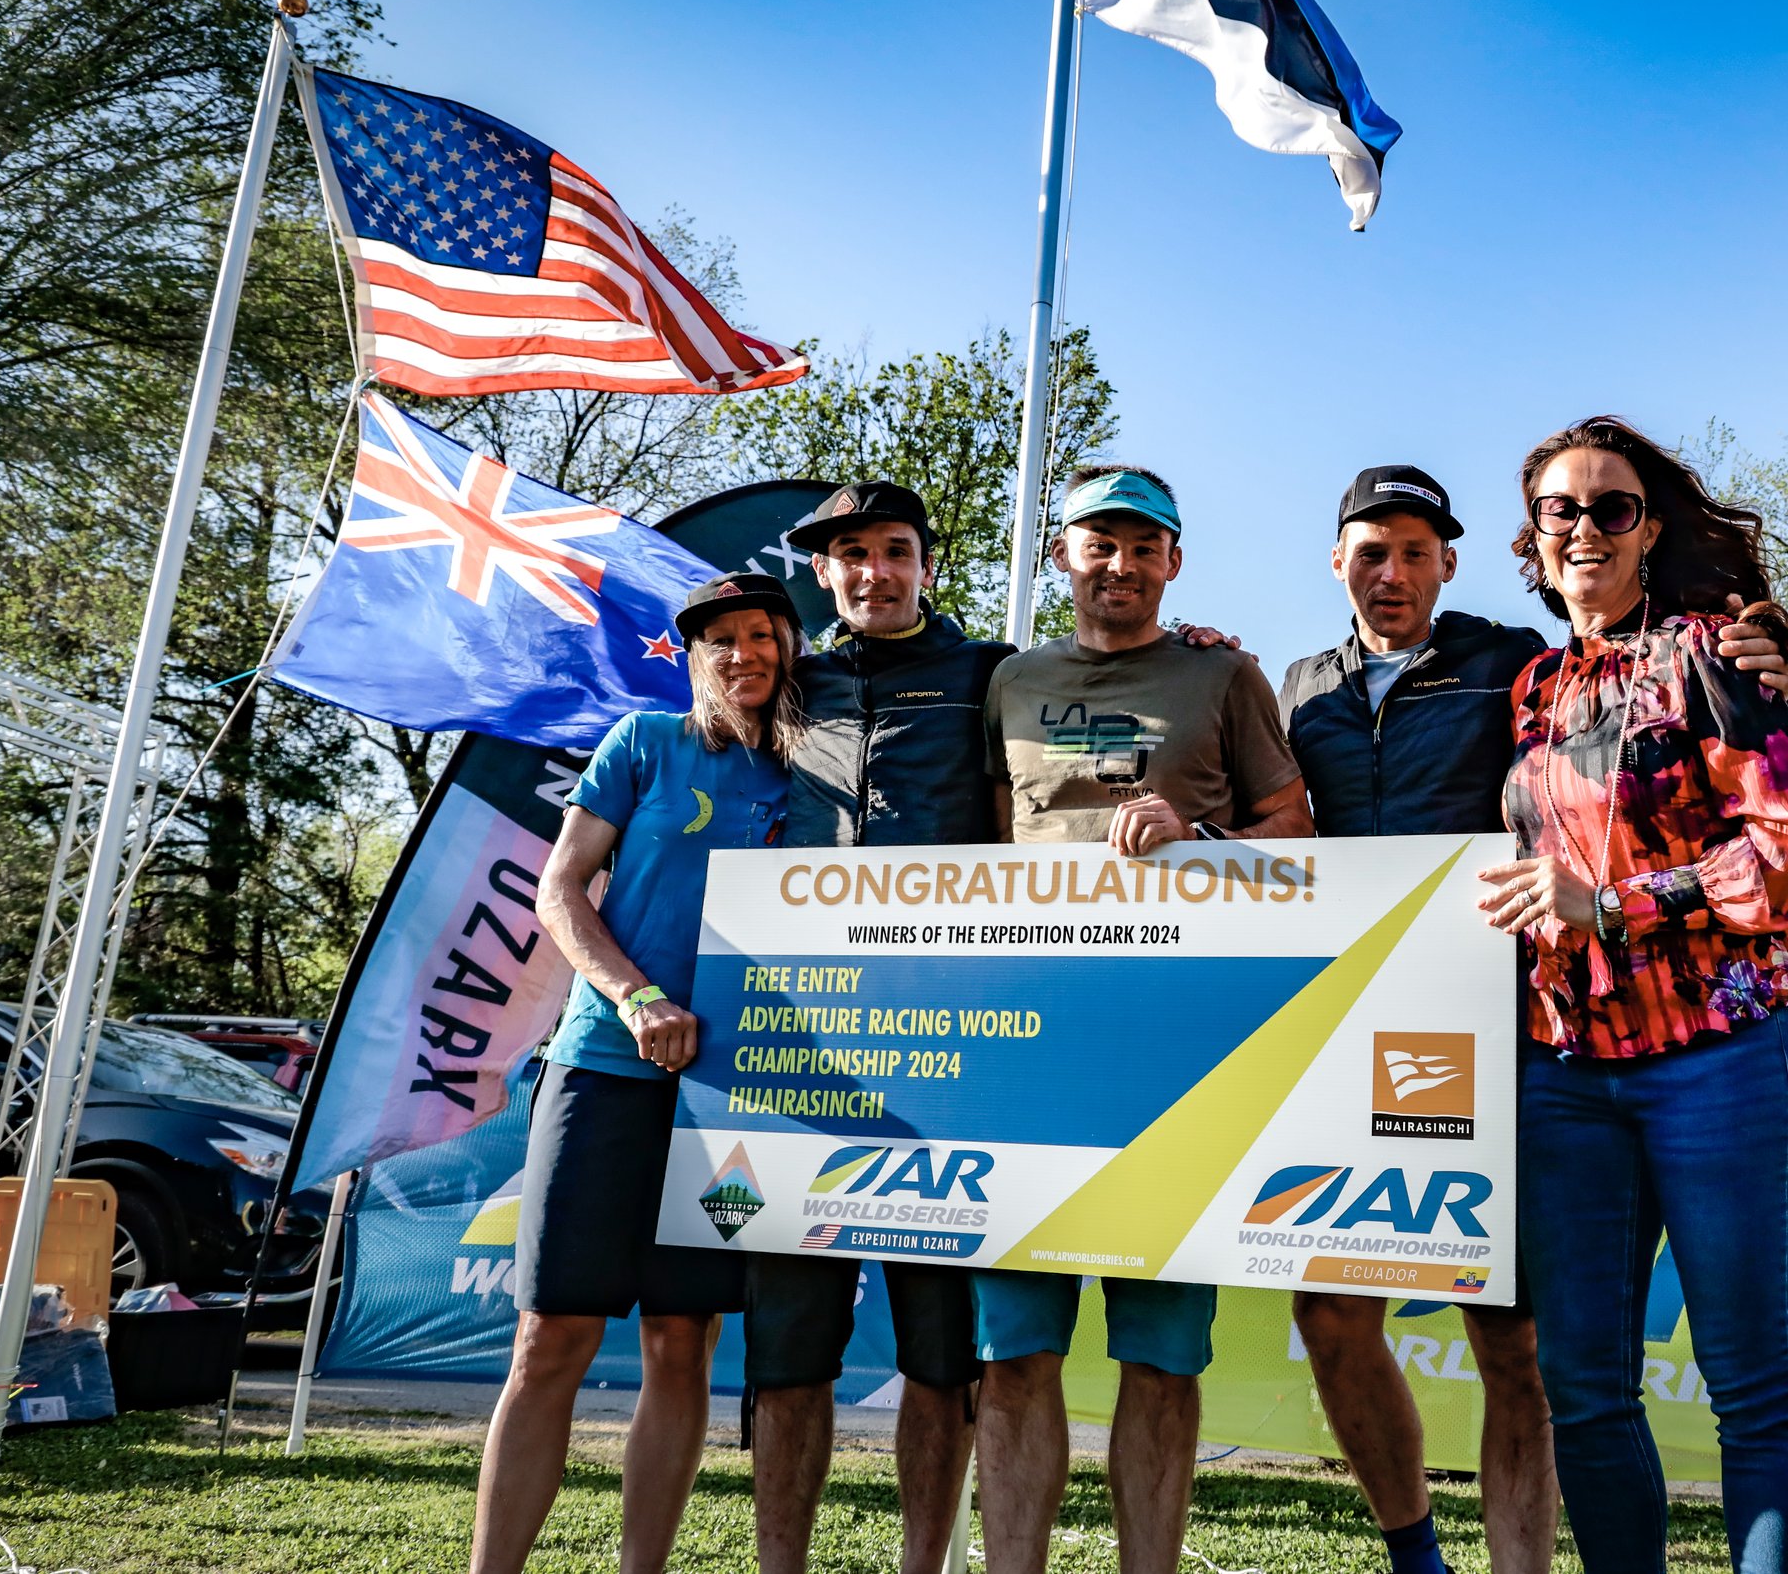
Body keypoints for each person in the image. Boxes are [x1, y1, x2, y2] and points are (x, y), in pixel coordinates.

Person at [1279, 465, 1788, 1574]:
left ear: (1452, 562)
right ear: (1335, 562)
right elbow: (1273, 821)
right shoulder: (1489, 683)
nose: (1391, 571)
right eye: (1370, 550)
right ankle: (1418, 1554)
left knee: (1693, 1379)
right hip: (1518, 1053)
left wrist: (1749, 655)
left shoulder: (1530, 660)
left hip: (1615, 1042)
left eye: (1415, 550)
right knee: (1566, 1379)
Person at [1473, 416, 1788, 1574]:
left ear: (1648, 527)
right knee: (1581, 1387)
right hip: (1566, 1071)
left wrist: (1614, 903)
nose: (1583, 526)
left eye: (1610, 506)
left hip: (1720, 1053)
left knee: (1752, 1389)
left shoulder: (1714, 654)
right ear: (1533, 535)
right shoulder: (1530, 685)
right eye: (1560, 509)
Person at [976, 463, 1313, 1574]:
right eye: (1099, 542)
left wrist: (1202, 840)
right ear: (1061, 554)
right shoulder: (1010, 679)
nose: (1119, 564)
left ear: (1173, 561)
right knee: (1014, 1352)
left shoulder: (1223, 673)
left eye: (1142, 545)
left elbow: (1295, 832)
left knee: (1161, 1361)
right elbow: (988, 846)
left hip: (1181, 1057)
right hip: (1030, 1055)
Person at [477, 571, 802, 1574]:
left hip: (731, 1093)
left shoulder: (817, 766)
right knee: (550, 1337)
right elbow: (560, 887)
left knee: (680, 1337)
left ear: (791, 647)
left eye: (763, 634)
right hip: (605, 1066)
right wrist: (635, 996)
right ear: (694, 657)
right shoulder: (645, 742)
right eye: (721, 639)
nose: (744, 653)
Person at [741, 482, 1012, 1574]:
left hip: (949, 1050)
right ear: (823, 572)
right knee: (789, 1351)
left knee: (941, 1355)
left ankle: (921, 1565)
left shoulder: (993, 672)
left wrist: (1195, 648)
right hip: (798, 1046)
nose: (874, 571)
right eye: (850, 553)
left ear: (927, 564)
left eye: (895, 550)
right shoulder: (789, 682)